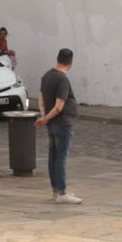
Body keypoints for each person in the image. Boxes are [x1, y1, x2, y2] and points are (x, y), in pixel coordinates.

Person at [35, 48, 82, 204]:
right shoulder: (62, 79)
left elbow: (41, 97)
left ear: (57, 58)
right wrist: (46, 118)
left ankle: (56, 190)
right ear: (71, 61)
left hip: (52, 123)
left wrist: (44, 117)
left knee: (53, 156)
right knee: (60, 158)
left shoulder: (46, 76)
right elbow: (59, 106)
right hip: (62, 123)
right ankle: (61, 192)